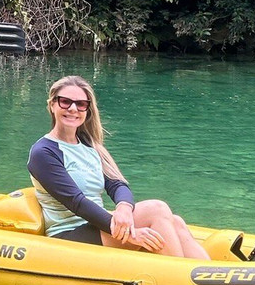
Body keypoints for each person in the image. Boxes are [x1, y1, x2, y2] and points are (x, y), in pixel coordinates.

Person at [27, 75, 209, 258]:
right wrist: (129, 233)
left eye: (81, 104)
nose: (73, 108)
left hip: (97, 227)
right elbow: (77, 203)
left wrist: (123, 207)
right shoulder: (43, 152)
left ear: (87, 110)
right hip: (68, 236)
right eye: (65, 102)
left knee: (175, 221)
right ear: (52, 105)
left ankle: (208, 279)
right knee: (157, 209)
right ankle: (178, 278)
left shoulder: (90, 146)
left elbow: (117, 184)